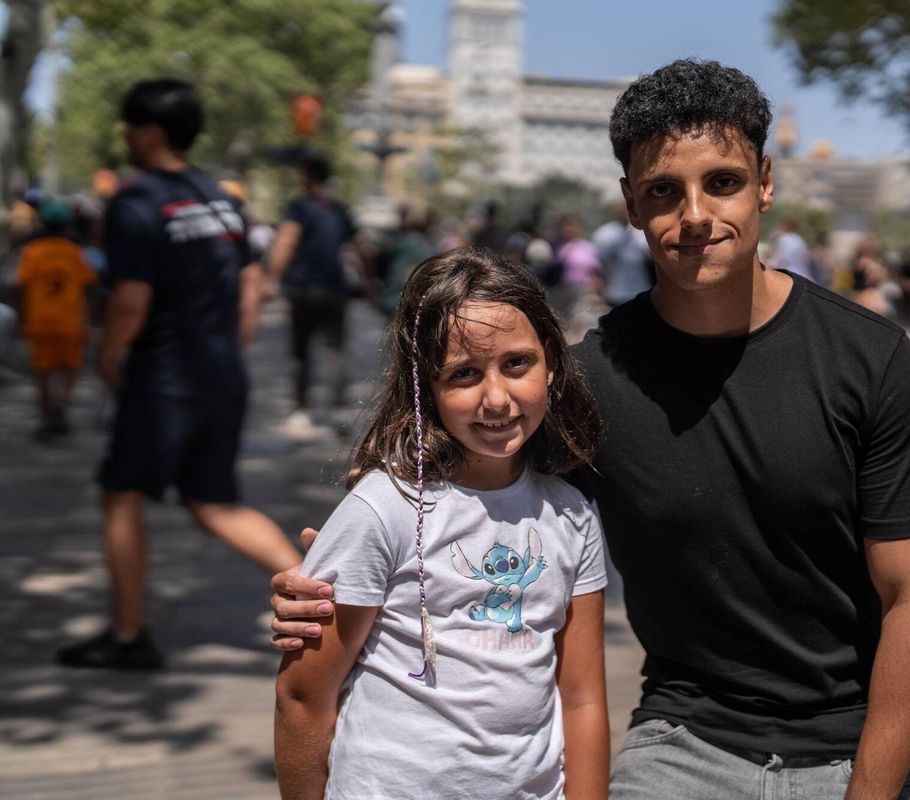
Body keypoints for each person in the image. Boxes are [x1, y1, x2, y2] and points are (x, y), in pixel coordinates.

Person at [270, 59, 910, 800]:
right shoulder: (587, 384)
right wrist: (332, 577)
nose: (695, 215)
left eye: (722, 182)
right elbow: (460, 485)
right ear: (631, 203)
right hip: (686, 743)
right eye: (664, 190)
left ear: (764, 182)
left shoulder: (869, 358)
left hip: (866, 745)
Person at [274, 248, 609, 800]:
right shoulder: (383, 508)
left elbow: (584, 700)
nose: (496, 398)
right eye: (464, 374)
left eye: (517, 364)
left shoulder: (572, 515)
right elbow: (304, 698)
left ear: (551, 361)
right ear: (424, 386)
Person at [56, 79, 301, 670]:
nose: (126, 139)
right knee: (213, 503)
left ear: (148, 133)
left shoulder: (136, 201)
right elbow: (251, 284)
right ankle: (333, 595)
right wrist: (228, 346)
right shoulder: (219, 199)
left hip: (165, 377)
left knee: (122, 495)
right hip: (221, 371)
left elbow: (130, 301)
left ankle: (129, 637)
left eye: (129, 128)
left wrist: (107, 355)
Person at [267, 152, 358, 435]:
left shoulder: (299, 208)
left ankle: (301, 409)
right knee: (335, 349)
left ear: (306, 175)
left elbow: (286, 241)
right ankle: (341, 409)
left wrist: (271, 278)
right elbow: (357, 248)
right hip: (335, 290)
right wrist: (368, 282)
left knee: (301, 351)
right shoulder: (339, 210)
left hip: (304, 289)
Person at [12, 199, 96, 439]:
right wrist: (90, 318)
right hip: (70, 321)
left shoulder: (31, 251)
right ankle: (62, 403)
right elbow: (89, 285)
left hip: (39, 321)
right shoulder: (76, 253)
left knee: (43, 372)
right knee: (69, 368)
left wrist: (20, 315)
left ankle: (47, 416)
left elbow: (17, 285)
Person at [593, 203, 654, 308]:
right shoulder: (606, 233)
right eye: (623, 209)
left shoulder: (641, 231)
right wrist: (599, 287)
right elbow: (598, 265)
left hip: (641, 289)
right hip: (615, 292)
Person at [765, 215, 814, 282]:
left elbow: (778, 260)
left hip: (787, 275)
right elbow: (806, 259)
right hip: (802, 274)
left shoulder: (784, 239)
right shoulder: (799, 240)